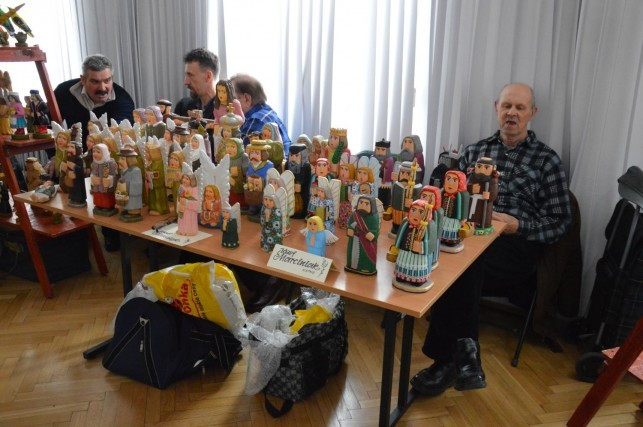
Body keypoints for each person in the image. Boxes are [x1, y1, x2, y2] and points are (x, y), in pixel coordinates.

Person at [411, 83, 572, 397]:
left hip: (514, 245)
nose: (512, 113)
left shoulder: (547, 160)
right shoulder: (475, 152)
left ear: (532, 113)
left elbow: (561, 221)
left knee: (462, 267)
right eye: (506, 106)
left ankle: (445, 362)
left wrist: (518, 225)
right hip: (470, 236)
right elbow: (451, 198)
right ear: (496, 107)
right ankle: (465, 357)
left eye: (520, 108)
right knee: (459, 261)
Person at [54, 54, 134, 148]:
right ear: (83, 80)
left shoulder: (123, 101)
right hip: (72, 153)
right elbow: (46, 128)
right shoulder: (63, 92)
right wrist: (57, 153)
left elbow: (116, 137)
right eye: (95, 82)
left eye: (107, 81)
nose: (102, 88)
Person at [230, 73, 291, 154]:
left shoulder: (255, 121)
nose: (228, 104)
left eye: (232, 98)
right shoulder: (268, 111)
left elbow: (238, 155)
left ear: (247, 99)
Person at [174, 48, 219, 119]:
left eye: (190, 75)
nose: (185, 82)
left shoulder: (225, 113)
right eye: (186, 75)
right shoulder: (182, 107)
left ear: (208, 76)